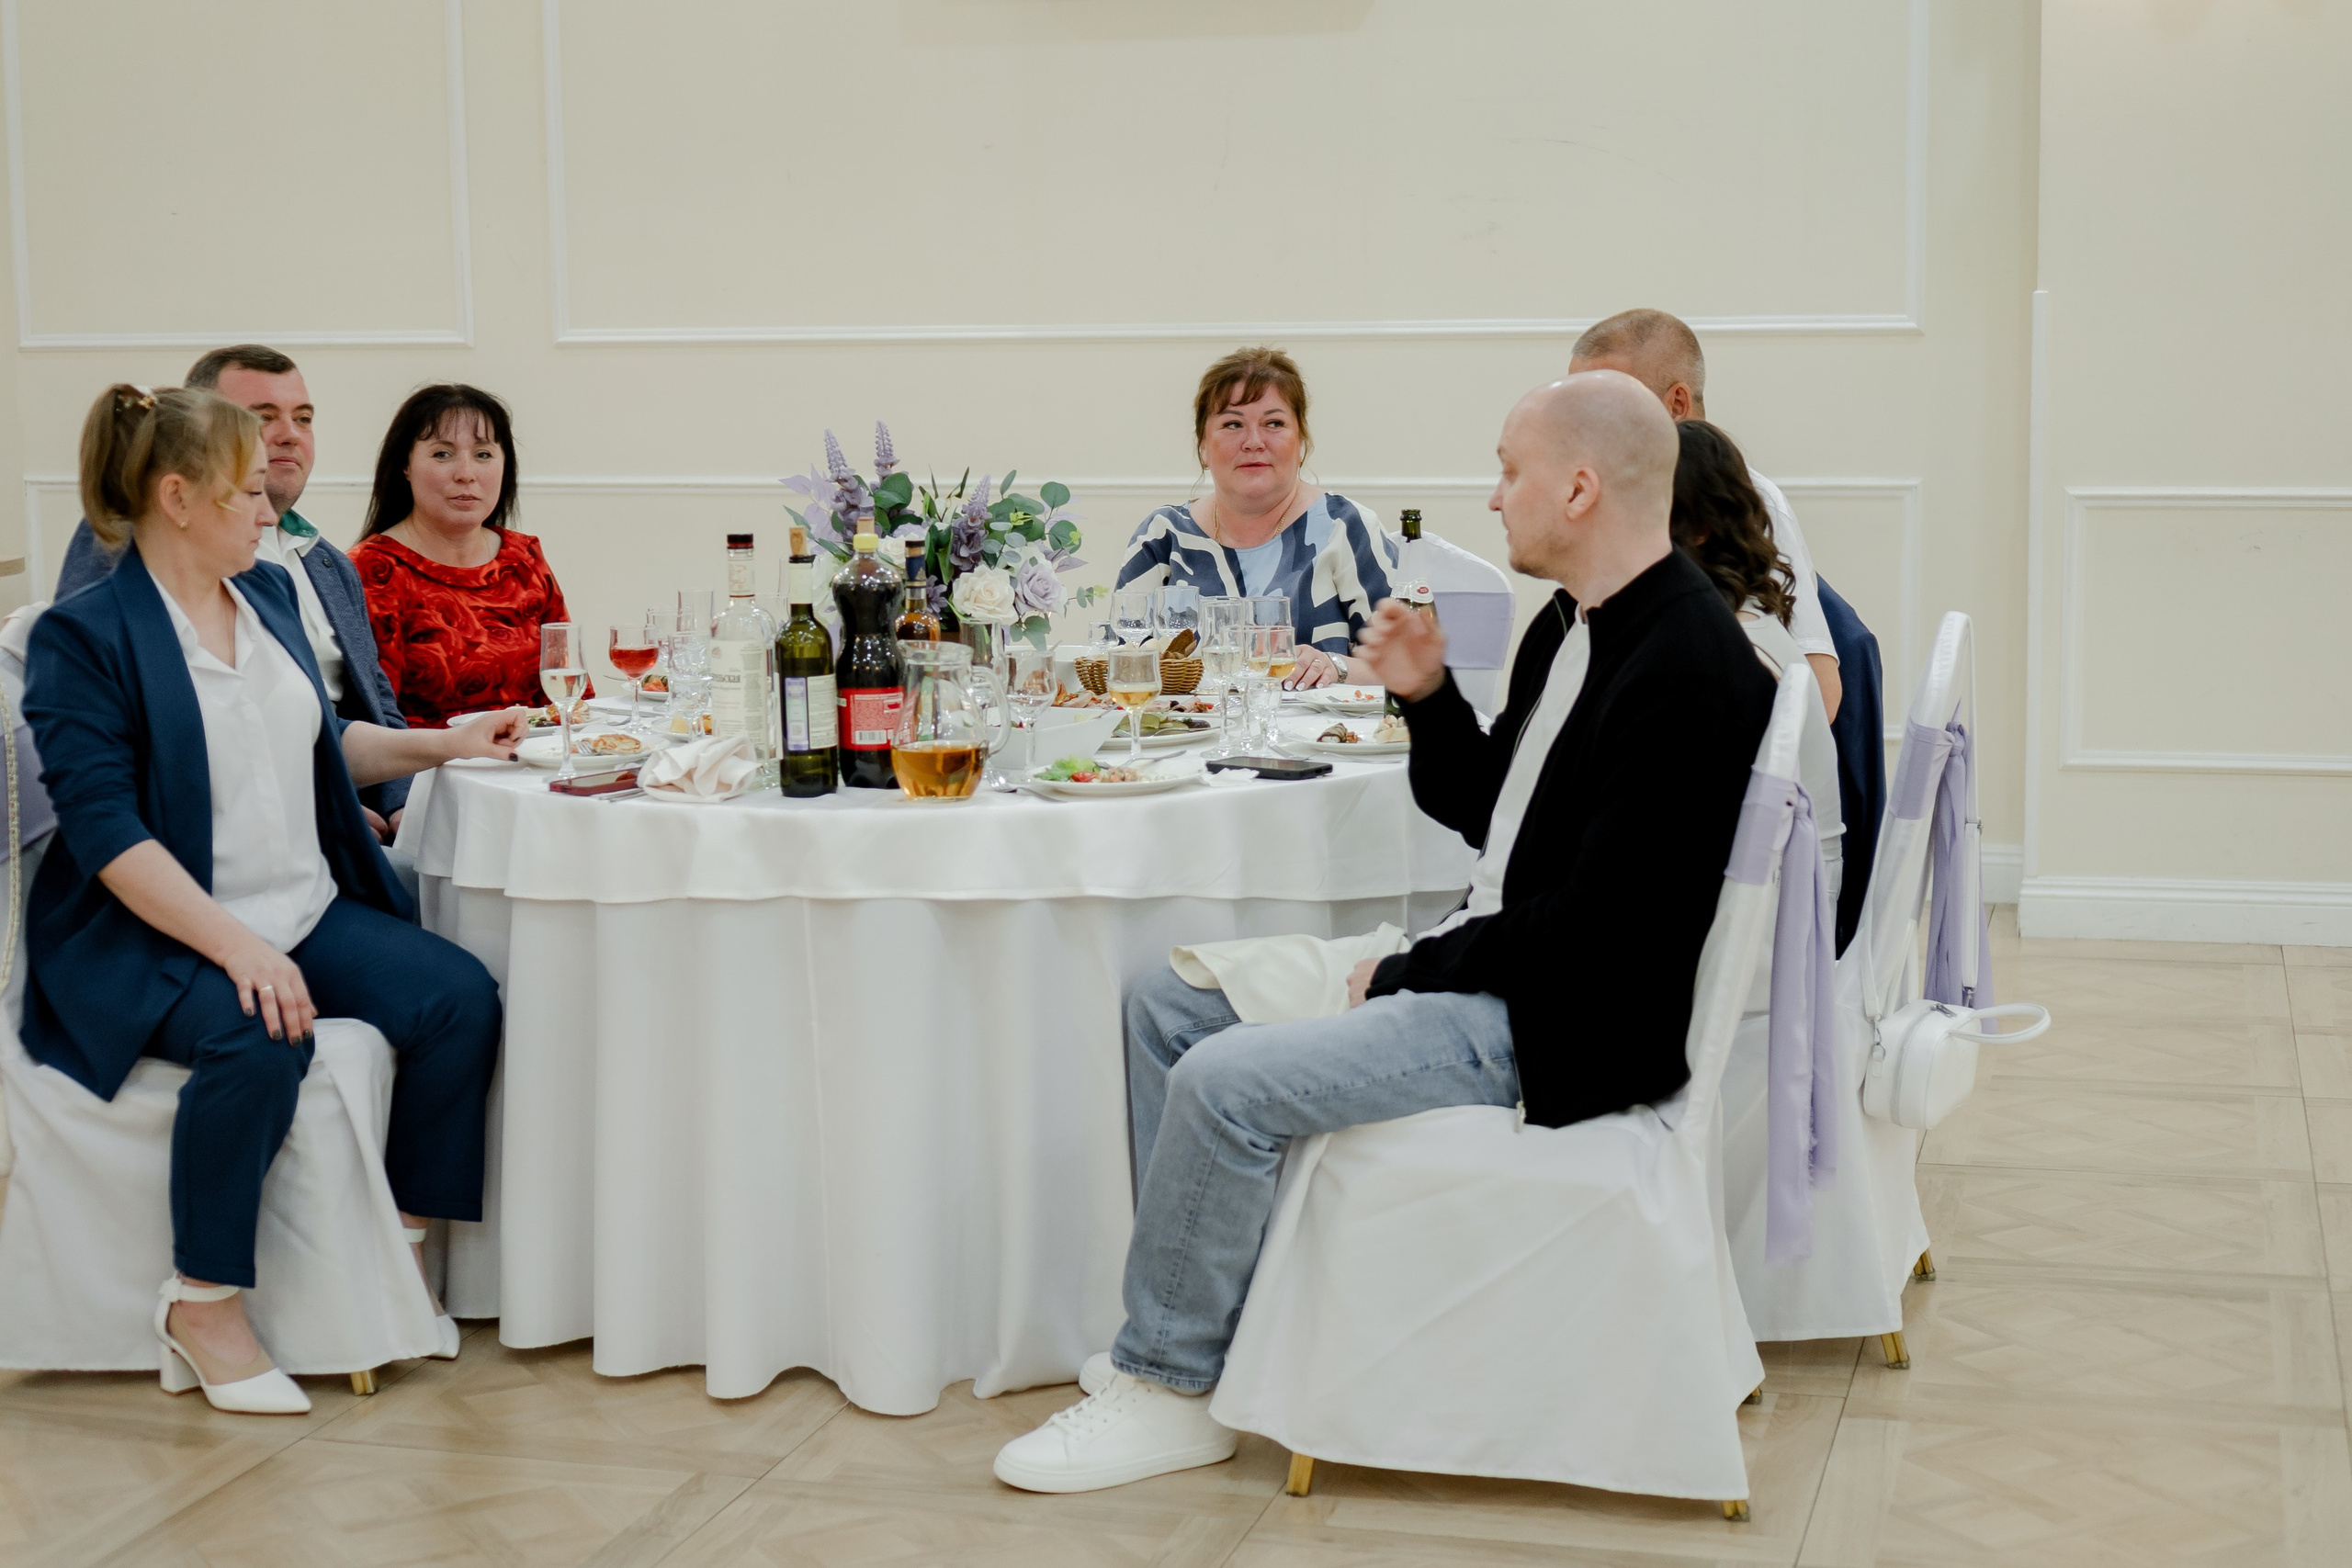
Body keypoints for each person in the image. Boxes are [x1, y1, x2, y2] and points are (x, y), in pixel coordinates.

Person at [991, 371, 1775, 1493]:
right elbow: (1493, 814)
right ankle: (1220, 1327)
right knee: (1166, 1005)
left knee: (1220, 1080)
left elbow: (1589, 934)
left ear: (1582, 487)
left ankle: (1166, 1385)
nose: (1494, 498)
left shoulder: (1686, 667)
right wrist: (1426, 696)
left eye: (1511, 472)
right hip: (1507, 970)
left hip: (1558, 1028)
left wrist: (1402, 972)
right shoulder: (1579, 624)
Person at [23, 385, 529, 1415]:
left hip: (297, 905)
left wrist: (446, 741)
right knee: (258, 1036)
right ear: (176, 496)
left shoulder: (261, 600)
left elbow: (319, 741)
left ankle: (402, 1251)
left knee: (456, 999)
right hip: (153, 932)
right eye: (249, 491)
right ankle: (202, 1301)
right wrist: (241, 953)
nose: (270, 511)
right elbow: (107, 833)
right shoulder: (84, 638)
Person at [54, 344, 415, 836]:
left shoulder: (330, 563)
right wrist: (318, 806)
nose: (290, 434)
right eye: (262, 416)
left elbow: (376, 702)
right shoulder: (129, 540)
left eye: (303, 418)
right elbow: (145, 723)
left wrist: (405, 808)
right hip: (227, 816)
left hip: (350, 792)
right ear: (203, 429)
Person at [1567, 308, 1844, 721]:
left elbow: (1820, 693)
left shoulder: (1749, 501)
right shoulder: (1610, 496)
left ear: (1676, 403)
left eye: (1606, 406)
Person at [1114, 347, 1395, 688]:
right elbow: (1120, 666)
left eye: (1273, 423)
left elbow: (1408, 669)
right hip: (1190, 733)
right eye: (1233, 424)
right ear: (1203, 446)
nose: (1254, 441)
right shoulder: (1162, 536)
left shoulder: (1345, 527)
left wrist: (1336, 666)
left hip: (1317, 737)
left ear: (1301, 441)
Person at [1671, 419, 1842, 895]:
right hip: (1792, 911)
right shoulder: (1745, 623)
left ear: (1699, 527)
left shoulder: (1722, 659)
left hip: (1765, 934)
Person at [349, 384, 585, 727]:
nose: (466, 473)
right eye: (442, 454)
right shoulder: (373, 569)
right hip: (429, 773)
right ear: (405, 466)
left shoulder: (522, 557)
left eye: (483, 454)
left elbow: (571, 700)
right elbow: (375, 726)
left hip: (532, 766)